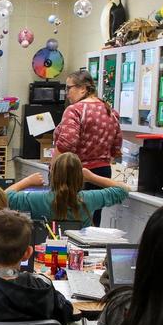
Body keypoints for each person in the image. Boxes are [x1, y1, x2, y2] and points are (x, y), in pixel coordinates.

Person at [54, 70, 123, 225]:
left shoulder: (76, 110)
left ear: (83, 89)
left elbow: (67, 143)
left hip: (77, 173)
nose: (67, 93)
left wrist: (54, 168)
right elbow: (116, 147)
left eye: (68, 88)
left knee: (71, 222)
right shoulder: (110, 111)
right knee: (93, 223)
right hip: (102, 173)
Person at [5, 152, 129, 227]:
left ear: (53, 175)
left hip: (45, 253)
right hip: (80, 254)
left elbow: (4, 196)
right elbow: (123, 190)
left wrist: (27, 181)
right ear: (80, 177)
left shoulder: (37, 199)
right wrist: (92, 177)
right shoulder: (89, 198)